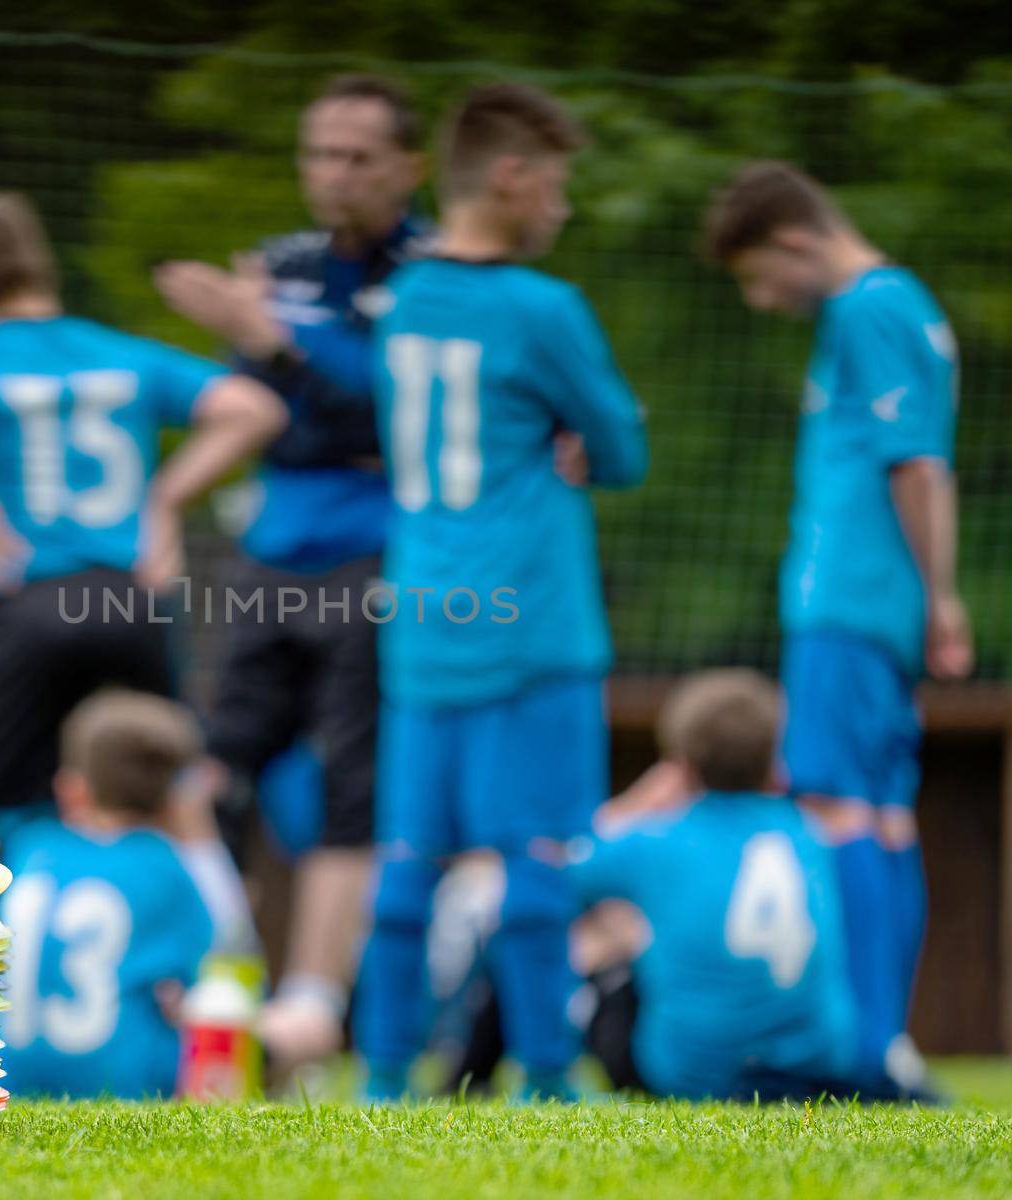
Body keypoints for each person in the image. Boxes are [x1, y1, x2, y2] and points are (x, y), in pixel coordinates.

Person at [357, 83, 648, 1100]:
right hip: (535, 625)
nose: (560, 210)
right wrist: (571, 442)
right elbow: (621, 450)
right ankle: (549, 1082)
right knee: (538, 869)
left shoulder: (399, 299)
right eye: (556, 186)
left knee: (406, 870)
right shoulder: (543, 308)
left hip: (425, 621)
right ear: (512, 178)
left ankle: (384, 1084)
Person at [153, 73, 428, 1065]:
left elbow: (398, 408)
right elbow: (273, 409)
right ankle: (213, 996)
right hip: (274, 549)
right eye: (319, 153)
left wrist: (277, 341)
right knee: (220, 768)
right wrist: (296, 370)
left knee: (351, 783)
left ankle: (313, 1010)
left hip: (384, 550)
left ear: (409, 166)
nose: (334, 174)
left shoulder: (437, 271)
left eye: (357, 155)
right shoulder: (284, 264)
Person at [0, 193, 287, 839]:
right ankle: (216, 931)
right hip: (129, 601)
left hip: (32, 605)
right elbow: (255, 409)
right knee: (168, 796)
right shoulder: (119, 351)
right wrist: (165, 499)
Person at [703, 161, 970, 1094]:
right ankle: (885, 1047)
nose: (763, 299)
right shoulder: (900, 306)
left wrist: (939, 596)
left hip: (851, 602)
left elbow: (918, 467)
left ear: (793, 240)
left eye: (757, 276)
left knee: (836, 808)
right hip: (871, 605)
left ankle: (862, 1051)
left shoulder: (867, 309)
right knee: (883, 813)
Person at [565, 670, 859, 1100]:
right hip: (817, 1071)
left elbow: (555, 878)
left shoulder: (657, 841)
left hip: (688, 1077)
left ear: (681, 766)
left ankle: (500, 1069)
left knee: (599, 936)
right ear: (775, 762)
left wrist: (637, 803)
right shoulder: (809, 834)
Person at [0, 690, 255, 1098]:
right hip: (122, 1085)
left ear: (71, 790)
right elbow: (229, 951)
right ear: (174, 801)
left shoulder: (28, 847)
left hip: (3, 1076)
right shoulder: (167, 869)